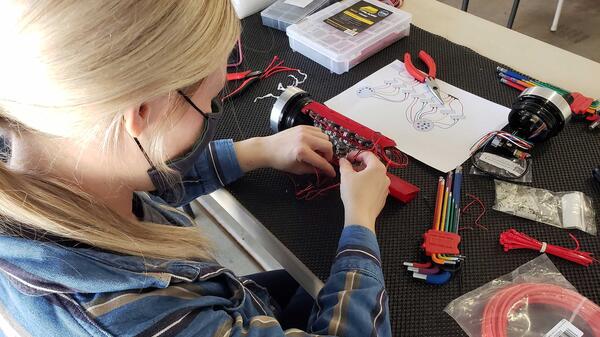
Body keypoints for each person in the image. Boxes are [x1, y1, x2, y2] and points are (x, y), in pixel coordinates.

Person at [0, 1, 392, 336]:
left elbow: (145, 177)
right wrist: (360, 224)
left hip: (233, 295)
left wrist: (258, 150)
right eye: (208, 104)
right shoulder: (142, 318)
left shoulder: (44, 157)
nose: (210, 113)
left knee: (300, 284)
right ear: (141, 113)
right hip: (221, 310)